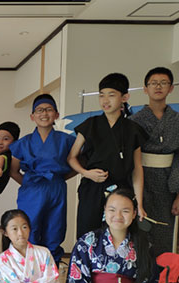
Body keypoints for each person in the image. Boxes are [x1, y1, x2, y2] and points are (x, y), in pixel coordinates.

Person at [68, 73, 148, 238]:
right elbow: (71, 157)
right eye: (101, 95)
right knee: (87, 234)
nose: (105, 100)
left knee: (118, 235)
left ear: (124, 97)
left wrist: (139, 203)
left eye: (111, 95)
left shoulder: (133, 129)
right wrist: (86, 173)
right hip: (92, 188)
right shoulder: (90, 124)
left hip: (121, 190)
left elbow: (137, 168)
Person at [9, 94, 76, 265]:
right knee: (29, 229)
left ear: (56, 114)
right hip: (31, 189)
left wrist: (60, 179)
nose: (44, 113)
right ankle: (28, 269)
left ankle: (51, 270)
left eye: (48, 109)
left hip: (56, 188)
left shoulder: (67, 140)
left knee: (55, 229)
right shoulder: (23, 143)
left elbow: (79, 163)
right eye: (39, 110)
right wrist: (29, 184)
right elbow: (13, 171)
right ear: (32, 116)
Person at [130, 66, 179, 256]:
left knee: (165, 232)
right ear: (145, 89)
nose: (158, 87)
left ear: (171, 88)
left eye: (163, 83)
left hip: (168, 182)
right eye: (153, 83)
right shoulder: (134, 120)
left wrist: (178, 194)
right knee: (139, 231)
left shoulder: (176, 120)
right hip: (140, 179)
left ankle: (164, 273)